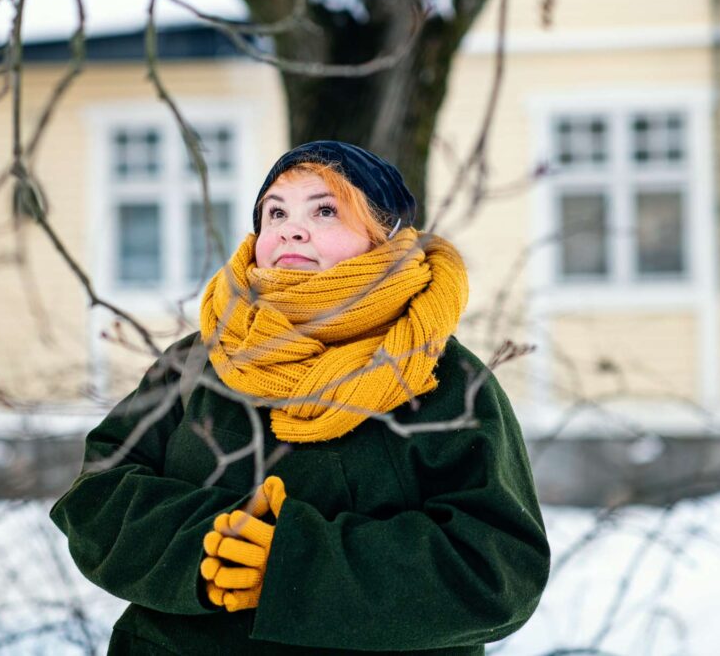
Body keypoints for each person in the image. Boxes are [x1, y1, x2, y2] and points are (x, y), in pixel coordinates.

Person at [51, 141, 550, 655]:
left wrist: (292, 565)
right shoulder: (200, 361)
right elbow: (96, 498)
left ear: (383, 239)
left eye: (325, 210)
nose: (291, 227)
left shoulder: (445, 382)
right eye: (276, 212)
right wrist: (217, 549)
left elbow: (499, 572)